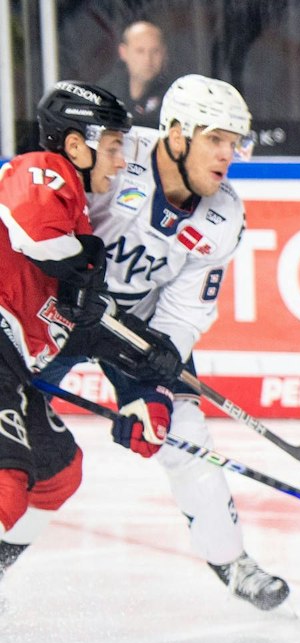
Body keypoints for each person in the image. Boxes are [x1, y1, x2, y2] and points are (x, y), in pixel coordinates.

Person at [43, 75, 284, 610]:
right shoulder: (115, 155)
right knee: (14, 421)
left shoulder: (224, 216)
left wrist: (154, 384)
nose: (227, 156)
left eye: (234, 142)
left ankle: (232, 561)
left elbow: (186, 309)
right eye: (216, 139)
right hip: (60, 307)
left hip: (138, 324)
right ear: (177, 134)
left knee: (185, 431)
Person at [0, 83, 162, 589]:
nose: (119, 163)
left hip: (11, 361)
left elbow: (82, 326)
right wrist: (84, 264)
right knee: (6, 481)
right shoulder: (41, 171)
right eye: (113, 147)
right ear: (75, 145)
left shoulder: (79, 215)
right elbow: (35, 235)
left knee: (58, 472)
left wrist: (148, 369)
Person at [100, 21, 173, 126]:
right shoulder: (105, 94)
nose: (148, 60)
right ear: (123, 52)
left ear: (164, 53)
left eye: (155, 51)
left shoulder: (175, 95)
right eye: (140, 51)